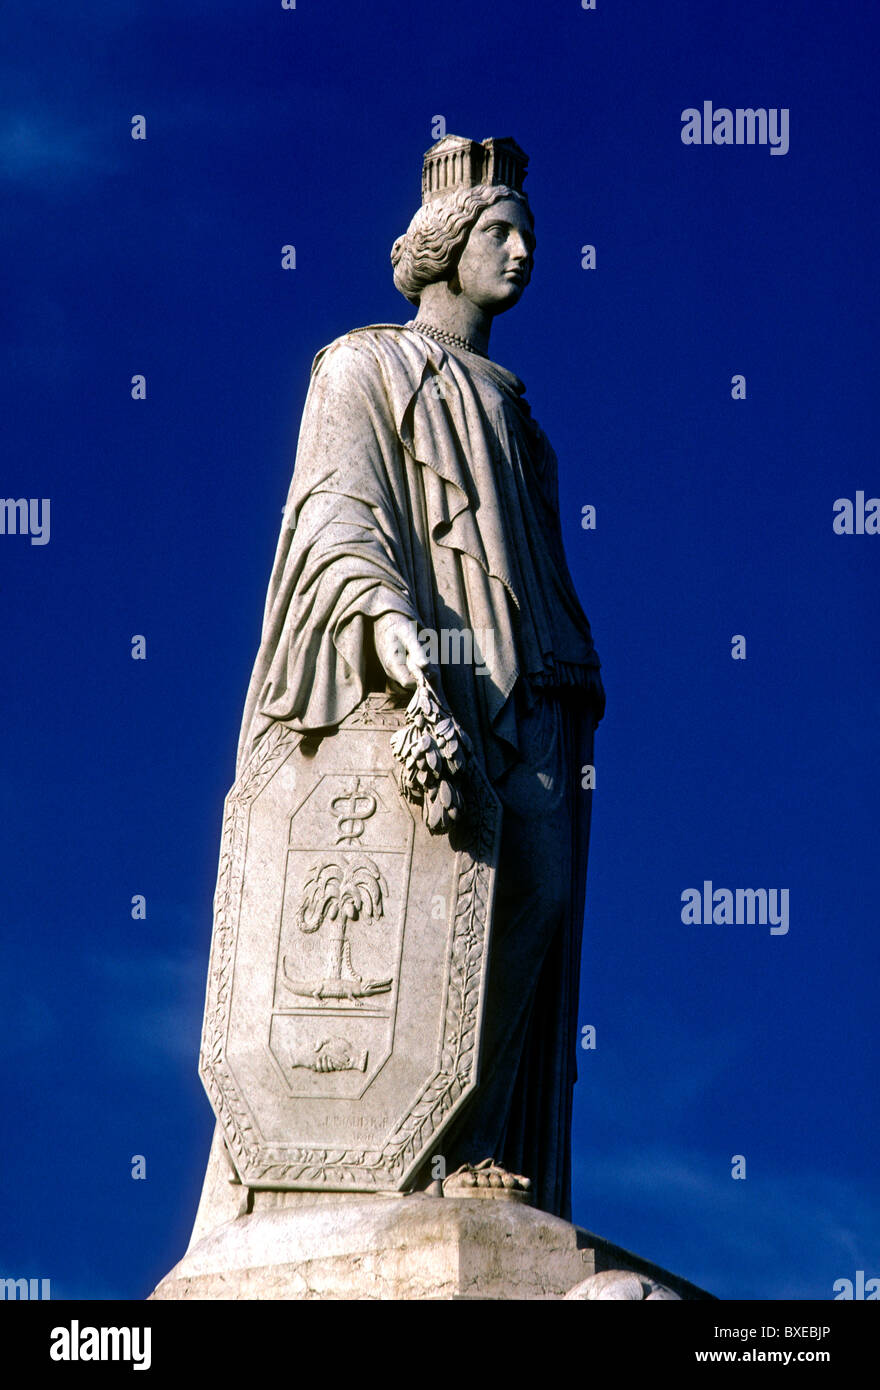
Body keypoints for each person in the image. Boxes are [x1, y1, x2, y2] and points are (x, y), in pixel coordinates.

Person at [235, 136, 605, 1220]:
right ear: (444, 247)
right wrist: (395, 645)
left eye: (529, 232)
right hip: (417, 684)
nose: (524, 250)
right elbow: (336, 516)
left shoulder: (522, 426)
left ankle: (476, 1135)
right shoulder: (361, 365)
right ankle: (413, 1150)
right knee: (433, 901)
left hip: (528, 685)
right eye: (500, 230)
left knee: (537, 889)